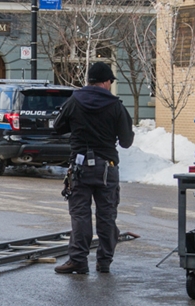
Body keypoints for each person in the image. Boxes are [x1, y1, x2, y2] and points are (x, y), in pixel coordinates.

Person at [52, 62, 134, 275]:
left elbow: (57, 126)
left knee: (80, 214)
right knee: (107, 215)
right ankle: (104, 262)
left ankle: (78, 260)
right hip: (107, 166)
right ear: (106, 82)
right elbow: (126, 141)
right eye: (110, 82)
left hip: (79, 166)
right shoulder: (116, 106)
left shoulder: (75, 100)